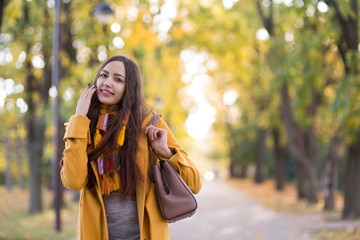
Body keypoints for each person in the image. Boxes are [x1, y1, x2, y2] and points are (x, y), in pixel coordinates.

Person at [60, 55, 202, 240]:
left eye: (118, 79)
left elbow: (194, 183)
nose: (107, 82)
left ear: (130, 88)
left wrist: (165, 153)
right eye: (104, 75)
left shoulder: (150, 124)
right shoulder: (83, 127)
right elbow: (73, 181)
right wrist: (79, 118)